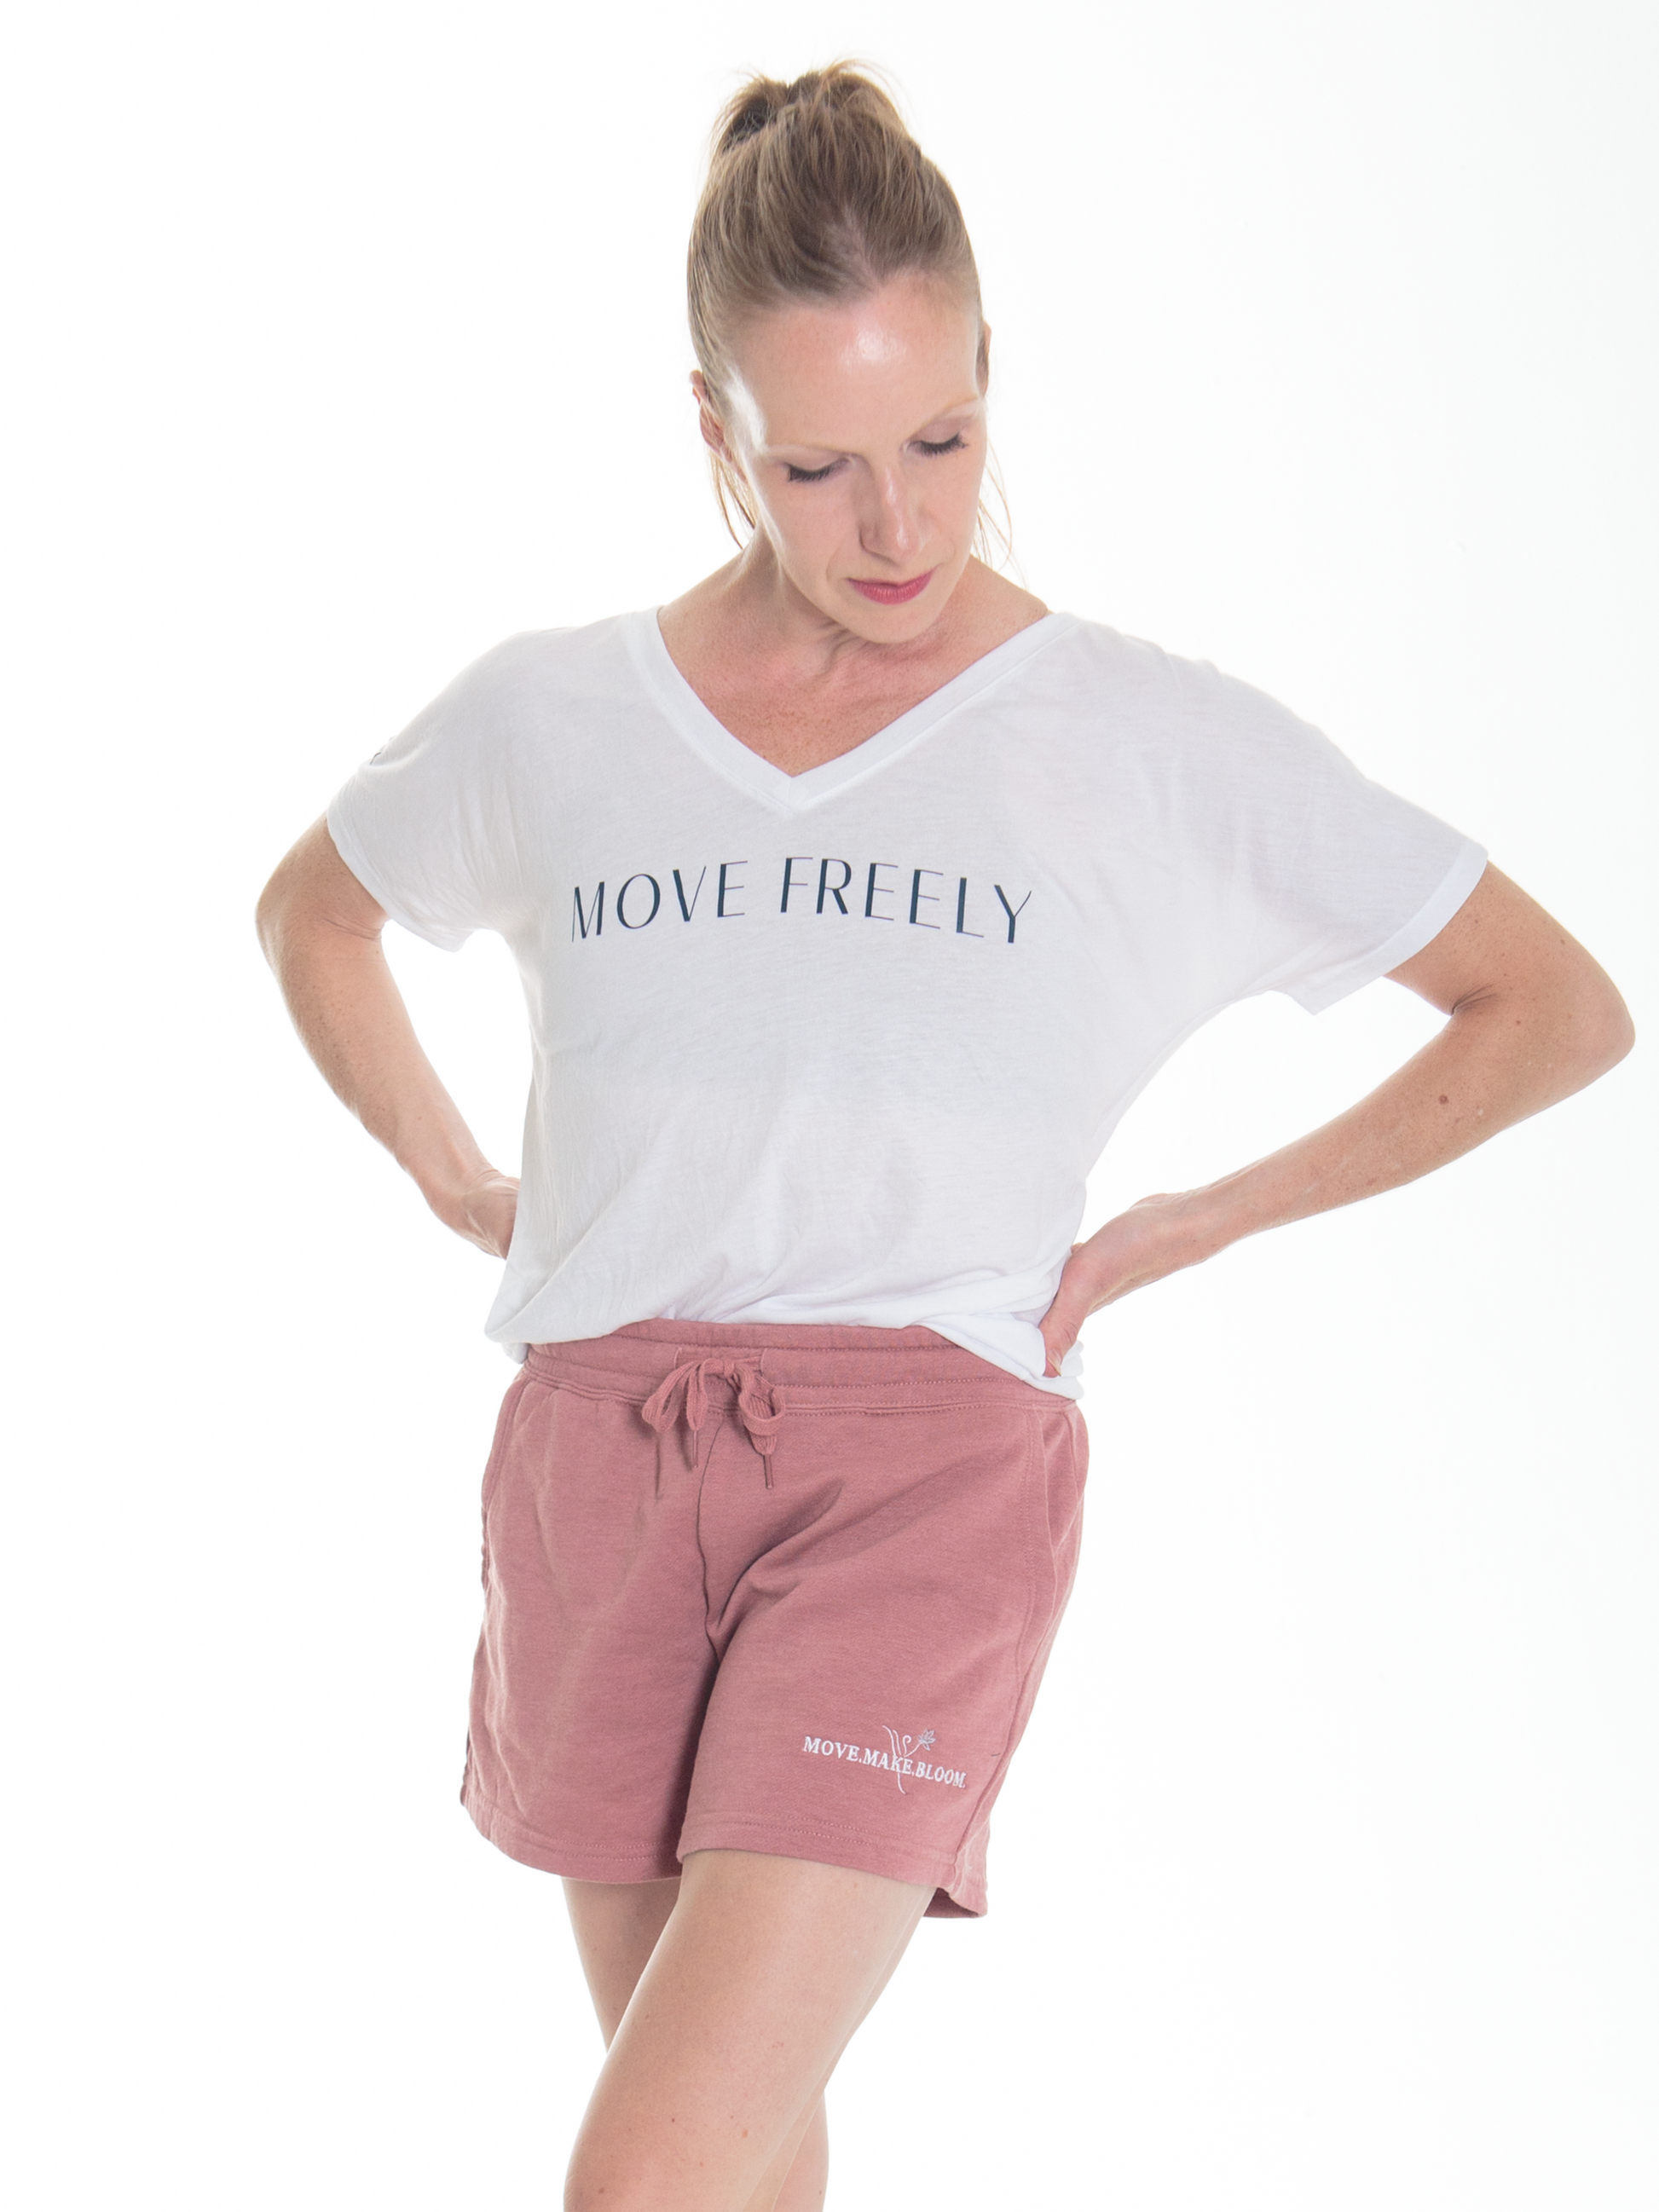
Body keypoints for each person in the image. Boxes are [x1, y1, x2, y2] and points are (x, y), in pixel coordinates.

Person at [255, 61, 1633, 2212]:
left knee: (646, 2173)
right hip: (602, 1453)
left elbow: (1553, 1003)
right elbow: (315, 912)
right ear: (713, 431)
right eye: (818, 465)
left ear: (993, 375)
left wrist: (1200, 1217)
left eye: (942, 443)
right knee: (735, 2153)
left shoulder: (1137, 736)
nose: (897, 530)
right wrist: (450, 1172)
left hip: (917, 1478)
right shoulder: (552, 716)